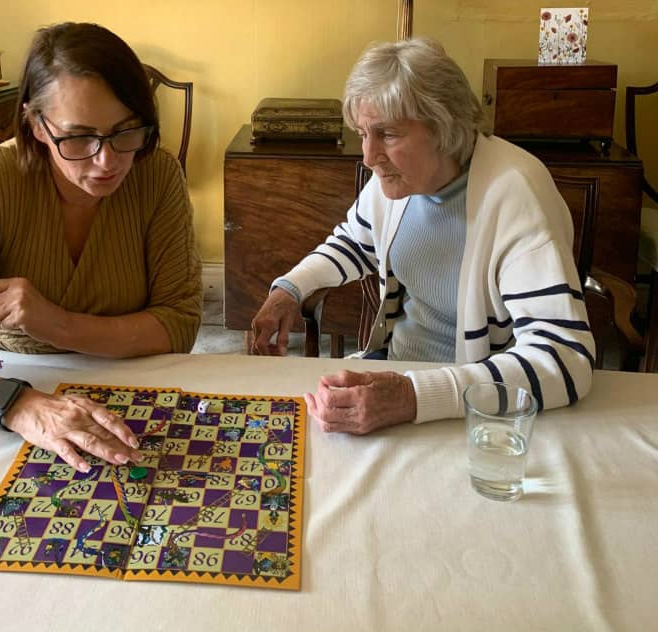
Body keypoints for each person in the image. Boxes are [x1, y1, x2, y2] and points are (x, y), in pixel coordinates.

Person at [0, 22, 202, 471]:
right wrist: (21, 407)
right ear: (36, 125)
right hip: (4, 394)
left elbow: (179, 324)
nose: (107, 161)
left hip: (132, 392)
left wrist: (56, 324)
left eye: (126, 131)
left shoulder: (158, 176)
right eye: (78, 137)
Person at [251, 37, 594, 433]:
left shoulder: (516, 193)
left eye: (388, 135)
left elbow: (566, 359)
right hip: (393, 374)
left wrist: (411, 396)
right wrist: (289, 290)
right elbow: (353, 244)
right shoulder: (398, 183)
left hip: (472, 407)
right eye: (363, 133)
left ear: (443, 125)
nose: (367, 156)